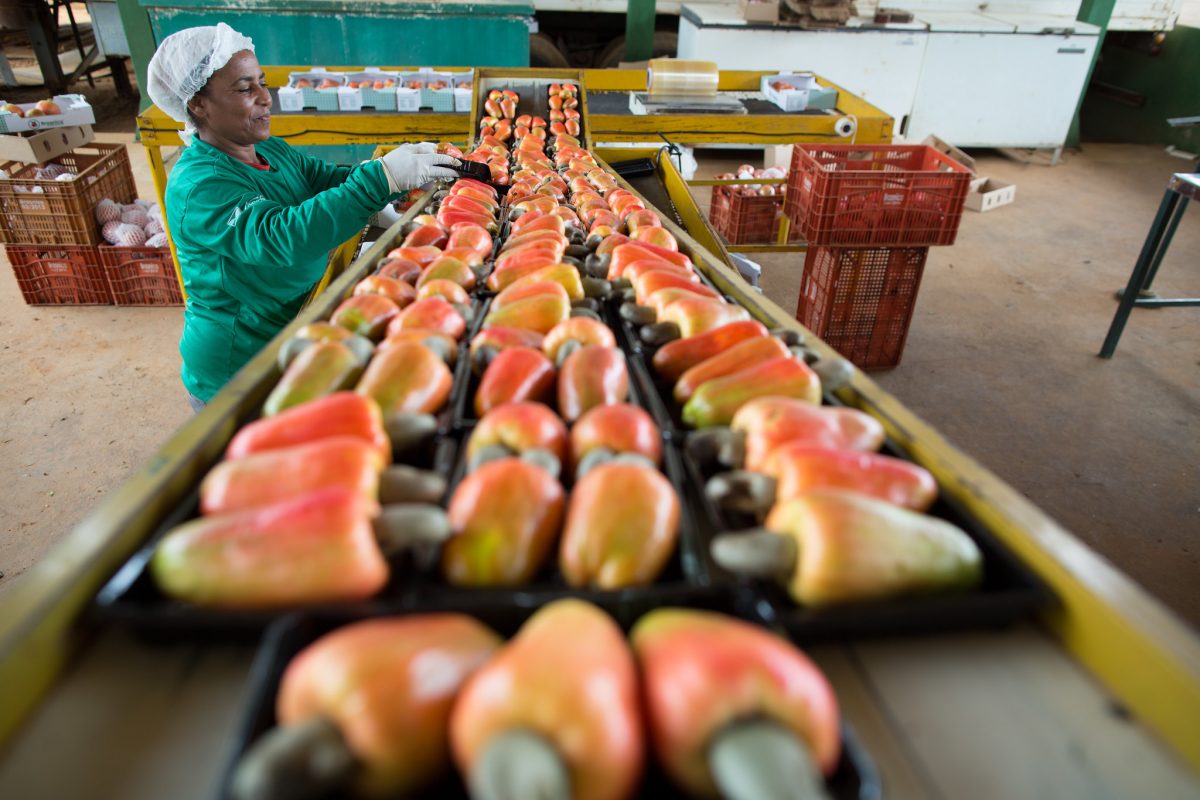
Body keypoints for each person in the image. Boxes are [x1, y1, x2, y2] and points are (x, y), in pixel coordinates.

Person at [146, 24, 458, 412]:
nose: (265, 98)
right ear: (198, 105)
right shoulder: (198, 187)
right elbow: (282, 236)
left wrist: (392, 178)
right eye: (245, 89)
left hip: (291, 331)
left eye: (262, 83)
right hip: (239, 366)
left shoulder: (267, 148)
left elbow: (325, 180)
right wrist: (381, 178)